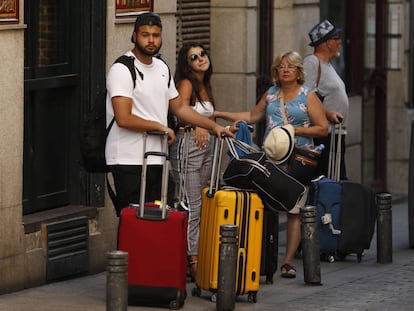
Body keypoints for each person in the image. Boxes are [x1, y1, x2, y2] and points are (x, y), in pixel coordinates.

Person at [105, 12, 233, 217]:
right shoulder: (122, 68)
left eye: (156, 35)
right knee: (132, 219)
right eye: (145, 35)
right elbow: (123, 117)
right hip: (127, 158)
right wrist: (160, 127)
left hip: (157, 156)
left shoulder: (162, 67)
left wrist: (213, 126)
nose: (151, 40)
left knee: (156, 220)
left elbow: (180, 108)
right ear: (134, 35)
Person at [215, 51, 328, 278]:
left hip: (297, 158)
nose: (285, 70)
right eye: (281, 66)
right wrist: (218, 114)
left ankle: (287, 262)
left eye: (291, 66)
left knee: (294, 209)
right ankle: (263, 256)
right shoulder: (271, 95)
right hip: (271, 157)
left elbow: (322, 128)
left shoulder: (308, 96)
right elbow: (250, 115)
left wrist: (293, 130)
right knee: (265, 204)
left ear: (298, 72)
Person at [170, 42, 215, 279]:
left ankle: (195, 255)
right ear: (186, 65)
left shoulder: (204, 85)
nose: (200, 59)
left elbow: (208, 114)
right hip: (187, 146)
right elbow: (181, 111)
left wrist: (224, 124)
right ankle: (193, 260)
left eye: (202, 54)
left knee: (202, 203)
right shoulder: (186, 84)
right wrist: (197, 123)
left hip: (206, 149)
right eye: (193, 57)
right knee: (191, 204)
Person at [303, 20, 348, 179]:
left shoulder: (327, 65)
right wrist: (328, 114)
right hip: (323, 136)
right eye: (336, 39)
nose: (340, 42)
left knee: (336, 179)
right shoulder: (312, 63)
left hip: (335, 135)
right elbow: (305, 97)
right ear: (327, 43)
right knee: (326, 179)